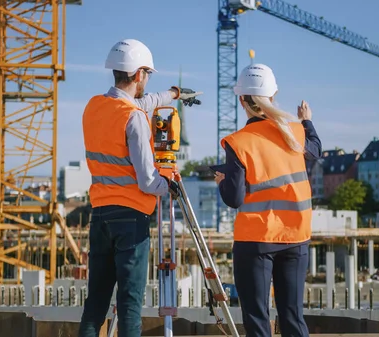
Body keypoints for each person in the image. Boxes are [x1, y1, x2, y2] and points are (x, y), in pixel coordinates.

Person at [78, 38, 202, 337]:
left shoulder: (95, 107)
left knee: (96, 301)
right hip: (131, 219)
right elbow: (147, 181)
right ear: (139, 74)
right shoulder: (134, 119)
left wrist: (172, 95)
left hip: (100, 215)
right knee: (130, 303)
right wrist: (169, 186)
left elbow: (138, 104)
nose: (147, 80)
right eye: (147, 74)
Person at [214, 63, 322, 337]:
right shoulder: (296, 132)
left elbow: (234, 198)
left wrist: (222, 182)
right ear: (272, 96)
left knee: (257, 319)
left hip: (256, 240)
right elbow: (316, 150)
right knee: (293, 316)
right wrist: (307, 120)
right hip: (296, 237)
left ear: (242, 100)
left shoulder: (238, 142)